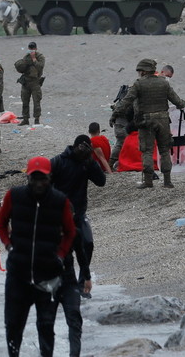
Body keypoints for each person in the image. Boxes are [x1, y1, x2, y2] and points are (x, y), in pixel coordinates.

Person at [0, 156, 76, 357]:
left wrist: (60, 255)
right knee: (13, 325)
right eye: (35, 178)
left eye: (43, 178)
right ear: (28, 178)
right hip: (17, 274)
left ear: (50, 177)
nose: (39, 183)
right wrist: (7, 243)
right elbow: (1, 222)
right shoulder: (14, 196)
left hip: (47, 275)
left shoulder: (60, 201)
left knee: (46, 325)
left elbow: (70, 232)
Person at [51, 135, 107, 355]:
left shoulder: (87, 162)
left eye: (88, 149)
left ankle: (83, 281)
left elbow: (101, 181)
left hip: (79, 213)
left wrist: (91, 161)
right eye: (82, 148)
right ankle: (67, 283)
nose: (84, 151)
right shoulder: (59, 160)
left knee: (88, 243)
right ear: (74, 147)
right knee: (63, 253)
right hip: (58, 214)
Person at [113, 58, 185, 188]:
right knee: (164, 150)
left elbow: (126, 102)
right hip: (163, 120)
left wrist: (114, 114)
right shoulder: (164, 83)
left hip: (145, 122)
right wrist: (184, 104)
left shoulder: (138, 84)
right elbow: (177, 101)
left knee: (146, 151)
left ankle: (148, 181)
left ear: (143, 71)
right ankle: (167, 181)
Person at [15, 41, 46, 125]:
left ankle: (37, 119)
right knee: (25, 101)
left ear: (36, 48)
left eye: (33, 48)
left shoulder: (40, 57)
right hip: (26, 82)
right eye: (30, 48)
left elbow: (40, 67)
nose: (31, 50)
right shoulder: (26, 57)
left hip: (35, 82)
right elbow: (22, 67)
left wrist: (34, 59)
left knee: (36, 101)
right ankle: (25, 119)